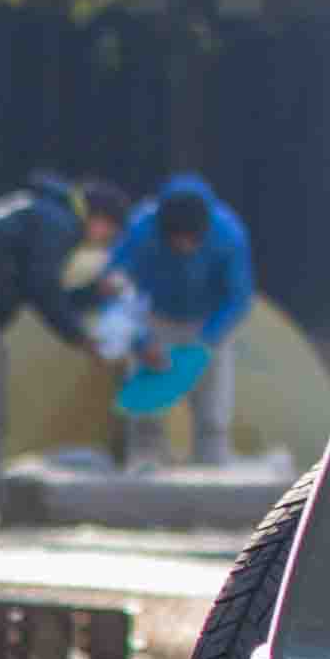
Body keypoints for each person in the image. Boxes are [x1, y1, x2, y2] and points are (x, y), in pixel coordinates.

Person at [0, 172, 122, 512]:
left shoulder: (47, 213)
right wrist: (79, 337)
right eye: (109, 231)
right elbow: (42, 289)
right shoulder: (58, 223)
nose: (103, 240)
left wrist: (92, 294)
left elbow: (41, 289)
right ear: (99, 219)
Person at [105, 174, 255, 465]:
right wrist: (139, 341)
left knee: (212, 414)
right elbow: (115, 285)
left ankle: (212, 466)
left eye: (191, 240)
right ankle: (145, 465)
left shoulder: (229, 234)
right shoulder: (140, 228)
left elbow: (238, 297)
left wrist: (208, 338)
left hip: (208, 321)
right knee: (146, 411)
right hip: (154, 319)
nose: (184, 246)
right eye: (176, 239)